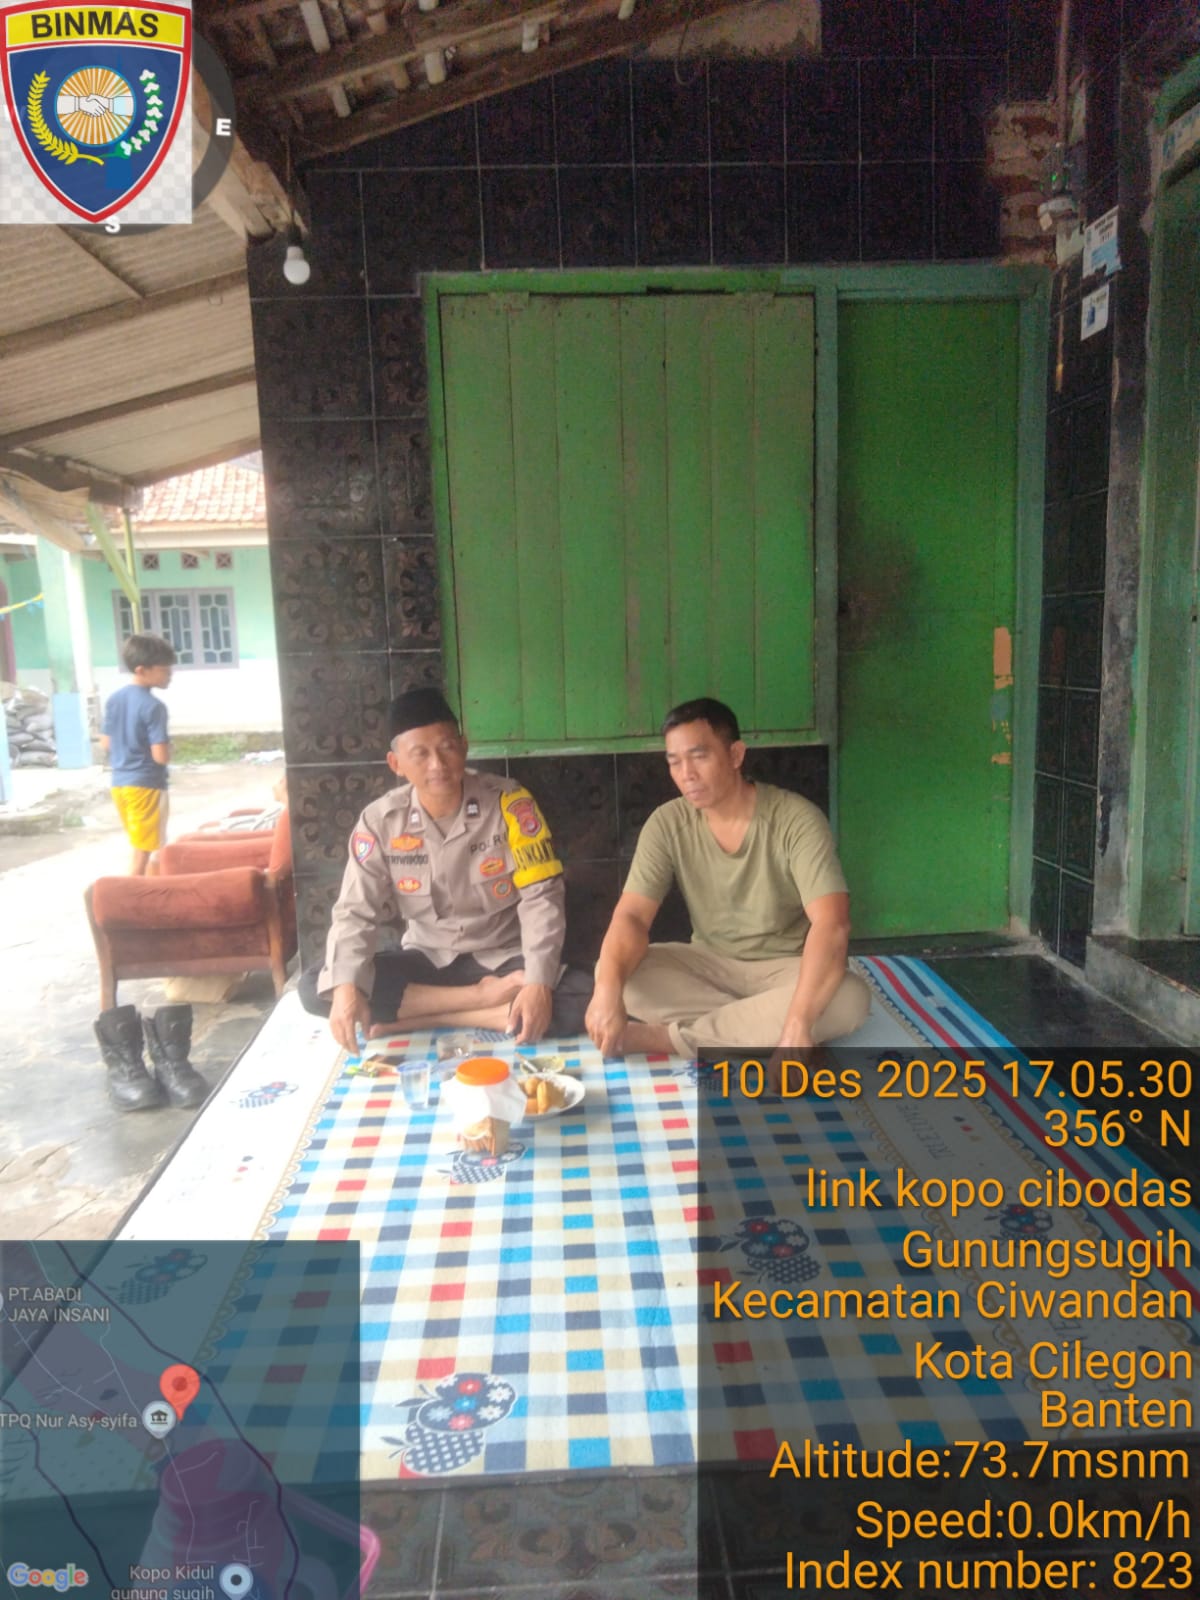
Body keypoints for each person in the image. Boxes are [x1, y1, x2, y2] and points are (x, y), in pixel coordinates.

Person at [301, 688, 592, 1051]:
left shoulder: (510, 804)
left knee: (587, 994)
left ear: (464, 747)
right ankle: (485, 1007)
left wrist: (537, 984)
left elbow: (542, 898)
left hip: (503, 957)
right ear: (396, 763)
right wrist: (347, 990)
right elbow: (355, 912)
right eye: (420, 754)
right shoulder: (379, 822)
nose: (437, 765)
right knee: (319, 984)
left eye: (447, 748)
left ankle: (418, 1018)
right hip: (427, 958)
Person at [586, 697, 871, 1058]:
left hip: (787, 969)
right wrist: (606, 991)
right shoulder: (667, 823)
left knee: (849, 999)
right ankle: (753, 1028)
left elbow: (832, 924)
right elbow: (632, 916)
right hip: (709, 965)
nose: (686, 774)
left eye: (699, 756)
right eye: (674, 762)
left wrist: (798, 1022)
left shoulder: (796, 820)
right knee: (617, 973)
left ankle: (668, 1039)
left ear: (736, 755)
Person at [100, 632, 175, 876]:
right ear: (141, 670)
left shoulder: (115, 700)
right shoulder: (154, 707)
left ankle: (148, 892)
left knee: (143, 846)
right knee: (143, 855)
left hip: (120, 784)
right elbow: (160, 756)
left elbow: (106, 743)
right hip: (146, 786)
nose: (170, 675)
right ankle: (133, 897)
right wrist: (170, 749)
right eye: (164, 670)